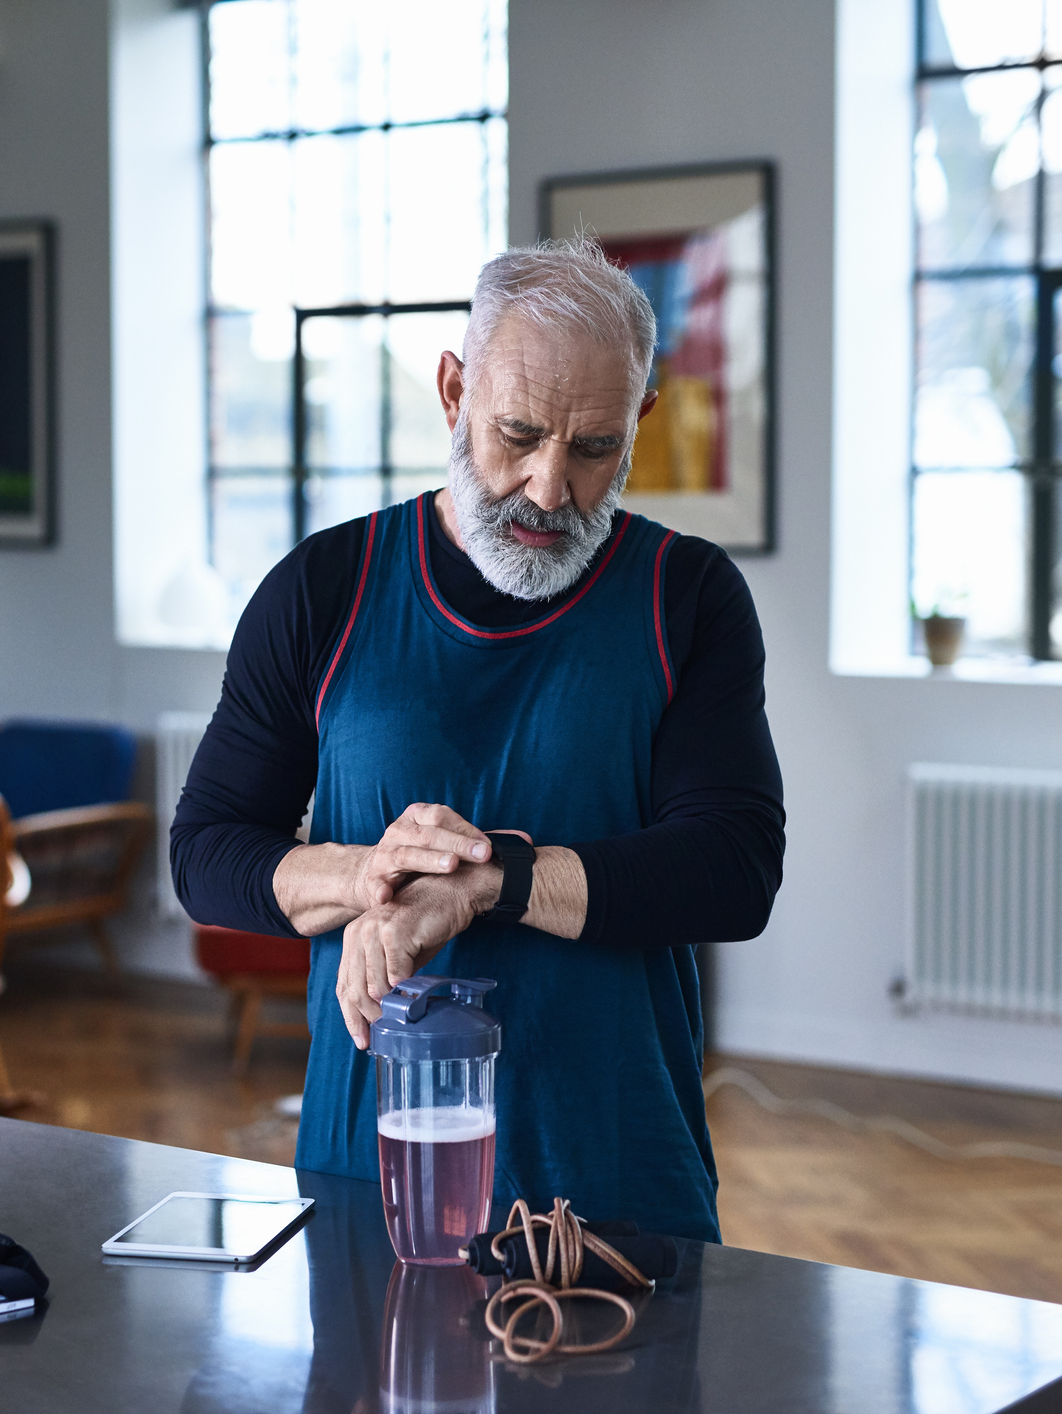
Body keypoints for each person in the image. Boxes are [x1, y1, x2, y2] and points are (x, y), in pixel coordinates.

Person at [171, 237, 784, 1243]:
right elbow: (204, 855)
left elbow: (733, 870)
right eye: (519, 434)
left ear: (639, 420)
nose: (548, 489)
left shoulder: (690, 599)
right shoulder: (323, 590)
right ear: (453, 392)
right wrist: (374, 872)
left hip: (620, 1188)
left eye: (593, 450)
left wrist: (485, 881)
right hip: (372, 1183)